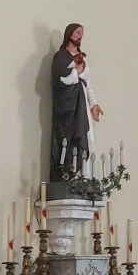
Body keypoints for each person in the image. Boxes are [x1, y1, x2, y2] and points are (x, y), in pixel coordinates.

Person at [50, 23, 103, 181]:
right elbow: (59, 79)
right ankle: (70, 175)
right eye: (77, 32)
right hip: (68, 108)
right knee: (70, 141)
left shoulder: (82, 58)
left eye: (82, 33)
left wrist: (93, 104)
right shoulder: (61, 57)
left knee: (87, 138)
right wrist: (75, 72)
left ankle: (84, 177)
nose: (80, 36)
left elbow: (87, 84)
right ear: (69, 34)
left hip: (82, 107)